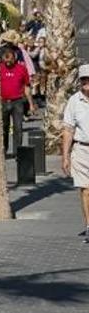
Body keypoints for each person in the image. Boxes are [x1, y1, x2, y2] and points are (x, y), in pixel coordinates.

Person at [62, 65, 89, 241]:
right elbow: (68, 129)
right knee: (86, 190)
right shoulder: (74, 101)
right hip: (81, 149)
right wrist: (65, 156)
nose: (87, 84)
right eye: (84, 80)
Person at [0, 45, 36, 155]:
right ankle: (4, 150)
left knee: (18, 127)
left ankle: (17, 152)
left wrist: (31, 104)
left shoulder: (21, 68)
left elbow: (27, 87)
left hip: (18, 102)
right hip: (3, 101)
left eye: (10, 59)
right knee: (3, 128)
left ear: (14, 57)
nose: (8, 62)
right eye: (5, 59)